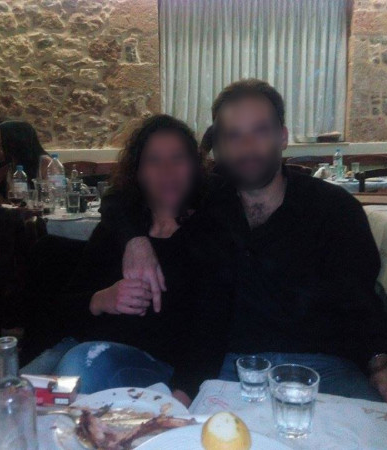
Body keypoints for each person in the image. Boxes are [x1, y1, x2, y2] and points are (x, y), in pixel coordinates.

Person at [103, 80, 387, 410]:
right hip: (227, 369)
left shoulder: (334, 209)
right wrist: (135, 241)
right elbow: (120, 198)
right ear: (220, 145)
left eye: (260, 131)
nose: (247, 147)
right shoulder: (205, 202)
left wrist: (382, 362)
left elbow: (361, 302)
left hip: (323, 371)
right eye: (233, 136)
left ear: (282, 137)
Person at [21, 115, 232, 406]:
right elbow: (63, 312)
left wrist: (180, 400)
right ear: (138, 171)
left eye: (178, 158)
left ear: (195, 166)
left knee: (77, 372)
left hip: (151, 368)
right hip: (78, 348)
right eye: (153, 160)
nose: (167, 171)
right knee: (10, 398)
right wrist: (102, 299)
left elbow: (212, 330)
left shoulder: (211, 231)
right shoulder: (118, 229)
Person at [0, 120, 51, 203]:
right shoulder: (13, 166)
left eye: (1, 137)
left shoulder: (45, 163)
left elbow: (52, 198)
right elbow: (12, 205)